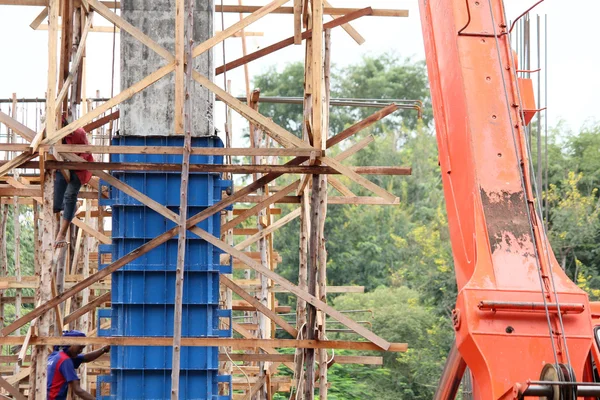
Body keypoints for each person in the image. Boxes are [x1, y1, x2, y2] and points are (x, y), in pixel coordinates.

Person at [53, 114, 93, 248]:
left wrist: (74, 160)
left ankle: (61, 234)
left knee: (70, 195)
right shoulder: (51, 135)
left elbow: (87, 151)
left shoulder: (78, 133)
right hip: (62, 167)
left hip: (79, 168)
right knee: (56, 205)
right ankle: (69, 209)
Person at [47, 330, 110, 400]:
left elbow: (85, 358)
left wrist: (104, 349)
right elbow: (77, 390)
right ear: (71, 343)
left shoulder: (55, 356)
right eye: (80, 347)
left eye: (82, 348)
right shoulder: (65, 360)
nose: (81, 351)